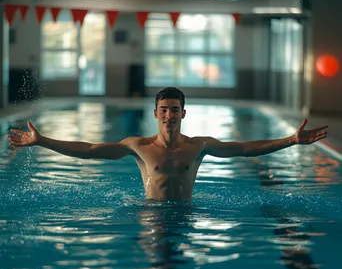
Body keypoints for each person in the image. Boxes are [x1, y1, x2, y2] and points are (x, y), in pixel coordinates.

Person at [8, 87, 328, 201]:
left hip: (187, 215)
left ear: (183, 113)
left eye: (175, 110)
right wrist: (42, 141)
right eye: (164, 110)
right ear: (155, 113)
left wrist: (290, 141)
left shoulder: (198, 146)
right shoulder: (139, 146)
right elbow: (90, 151)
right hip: (152, 216)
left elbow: (244, 149)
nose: (169, 116)